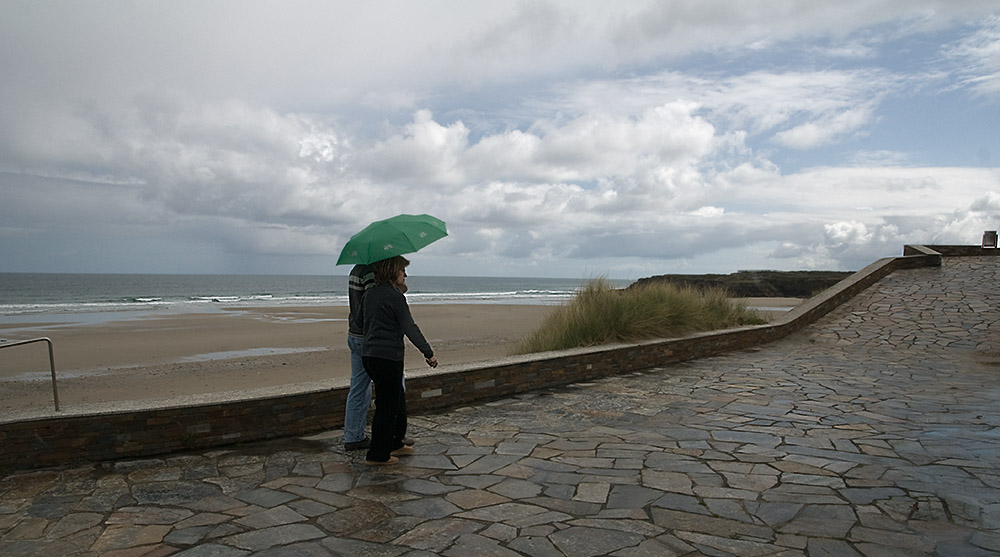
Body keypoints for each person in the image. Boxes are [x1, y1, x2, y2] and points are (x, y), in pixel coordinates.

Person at [358, 255, 438, 465]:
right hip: (387, 358)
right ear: (393, 272)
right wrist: (428, 352)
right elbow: (409, 327)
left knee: (397, 400)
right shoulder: (395, 298)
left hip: (369, 355)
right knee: (387, 406)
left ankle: (395, 442)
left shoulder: (370, 294)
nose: (406, 274)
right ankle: (377, 455)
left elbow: (359, 321)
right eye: (402, 271)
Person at [343, 263, 374, 451]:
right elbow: (374, 305)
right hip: (367, 336)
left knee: (359, 387)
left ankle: (354, 435)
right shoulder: (370, 273)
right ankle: (393, 435)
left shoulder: (355, 270)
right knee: (394, 385)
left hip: (354, 333)